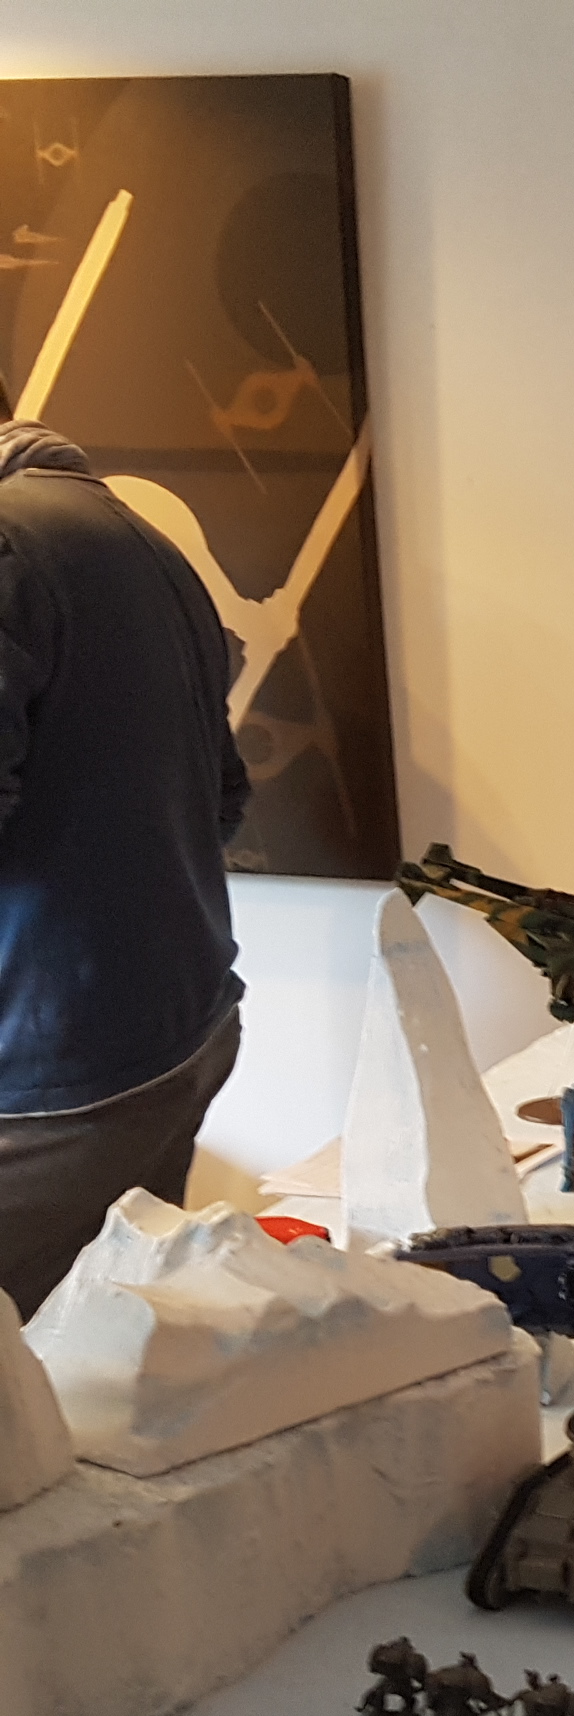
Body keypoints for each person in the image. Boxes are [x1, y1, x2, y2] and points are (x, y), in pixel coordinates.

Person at [0, 421, 248, 1318]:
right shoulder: (138, 537)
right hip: (172, 1034)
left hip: (49, 1080)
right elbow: (225, 798)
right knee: (106, 1344)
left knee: (40, 1375)